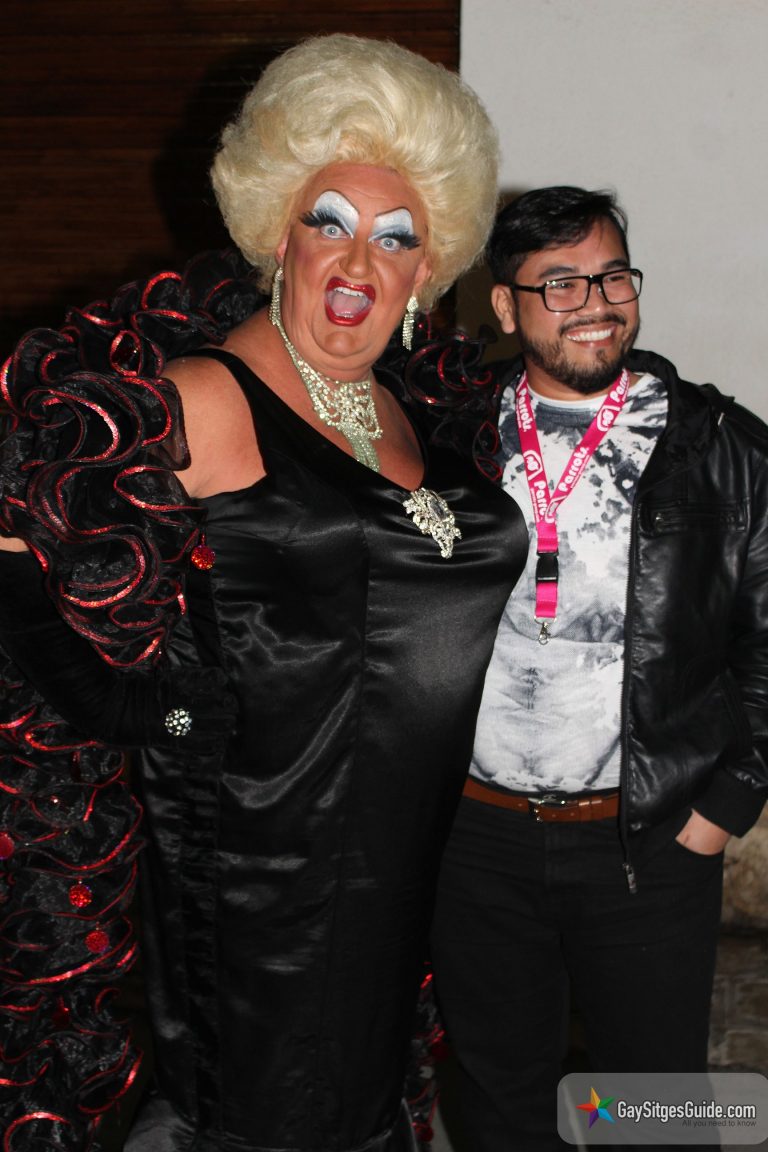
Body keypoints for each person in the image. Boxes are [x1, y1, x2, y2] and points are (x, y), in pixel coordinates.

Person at [0, 35, 528, 1152]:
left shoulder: (407, 411)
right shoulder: (210, 395)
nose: (359, 258)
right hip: (258, 885)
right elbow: (16, 532)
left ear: (425, 273)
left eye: (397, 237)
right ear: (277, 234)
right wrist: (158, 716)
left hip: (400, 875)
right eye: (329, 220)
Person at [429, 185, 768, 1150]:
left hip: (648, 838)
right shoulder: (447, 437)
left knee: (651, 1109)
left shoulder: (720, 447)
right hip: (475, 834)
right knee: (498, 1099)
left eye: (614, 275)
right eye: (561, 282)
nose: (597, 302)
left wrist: (724, 807)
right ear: (506, 306)